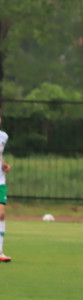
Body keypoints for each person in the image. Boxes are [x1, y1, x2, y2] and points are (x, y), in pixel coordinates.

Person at [0, 110, 11, 263]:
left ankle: (0, 251)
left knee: (1, 214)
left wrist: (3, 165)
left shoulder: (3, 136)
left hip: (0, 180)